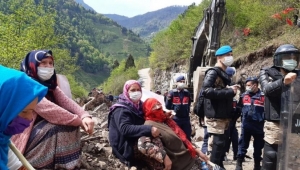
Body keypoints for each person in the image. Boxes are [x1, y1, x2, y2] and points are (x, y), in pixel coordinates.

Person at [11, 50, 94, 169]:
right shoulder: (27, 86)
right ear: (32, 65)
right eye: (43, 63)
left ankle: (66, 164)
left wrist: (84, 115)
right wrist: (79, 121)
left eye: (51, 63)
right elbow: (51, 111)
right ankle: (38, 163)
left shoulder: (50, 84)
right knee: (55, 127)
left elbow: (66, 101)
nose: (48, 67)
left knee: (68, 123)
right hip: (23, 134)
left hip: (38, 129)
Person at [259, 44, 300, 170]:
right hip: (276, 123)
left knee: (292, 157)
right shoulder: (267, 72)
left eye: (294, 57)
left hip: (295, 123)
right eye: (287, 57)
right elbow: (266, 89)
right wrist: (283, 82)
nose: (291, 60)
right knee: (272, 156)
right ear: (279, 59)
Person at [139, 98, 209, 170]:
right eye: (153, 106)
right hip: (181, 166)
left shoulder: (165, 120)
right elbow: (143, 144)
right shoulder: (149, 126)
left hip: (191, 158)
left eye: (158, 104)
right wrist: (163, 156)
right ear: (147, 110)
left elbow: (183, 139)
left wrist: (197, 150)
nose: (158, 107)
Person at [0, 65, 47, 170]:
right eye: (24, 111)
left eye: (32, 111)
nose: (29, 118)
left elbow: (15, 165)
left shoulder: (3, 138)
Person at [108, 80, 160, 168]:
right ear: (126, 92)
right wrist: (149, 129)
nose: (136, 92)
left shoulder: (139, 106)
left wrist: (163, 115)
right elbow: (125, 129)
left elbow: (150, 114)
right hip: (125, 145)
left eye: (138, 90)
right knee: (155, 154)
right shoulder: (121, 109)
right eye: (132, 90)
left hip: (135, 139)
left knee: (159, 137)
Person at [201, 45, 238, 168]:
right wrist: (229, 91)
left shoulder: (223, 73)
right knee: (217, 147)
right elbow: (206, 91)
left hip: (222, 116)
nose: (230, 57)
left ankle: (218, 166)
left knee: (221, 147)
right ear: (218, 57)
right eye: (227, 55)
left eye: (231, 55)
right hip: (215, 117)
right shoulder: (213, 72)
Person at [235, 77, 265, 170]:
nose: (247, 87)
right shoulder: (244, 96)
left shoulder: (263, 97)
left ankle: (256, 165)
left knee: (258, 148)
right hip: (246, 125)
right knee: (242, 145)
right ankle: (239, 164)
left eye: (248, 85)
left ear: (255, 85)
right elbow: (239, 109)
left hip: (259, 126)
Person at [165, 75, 192, 141]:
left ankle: (188, 149)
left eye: (183, 81)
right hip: (176, 119)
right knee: (176, 136)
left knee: (187, 135)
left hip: (185, 118)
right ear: (176, 83)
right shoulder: (172, 93)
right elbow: (167, 106)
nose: (182, 83)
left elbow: (188, 104)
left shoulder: (187, 93)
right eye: (180, 81)